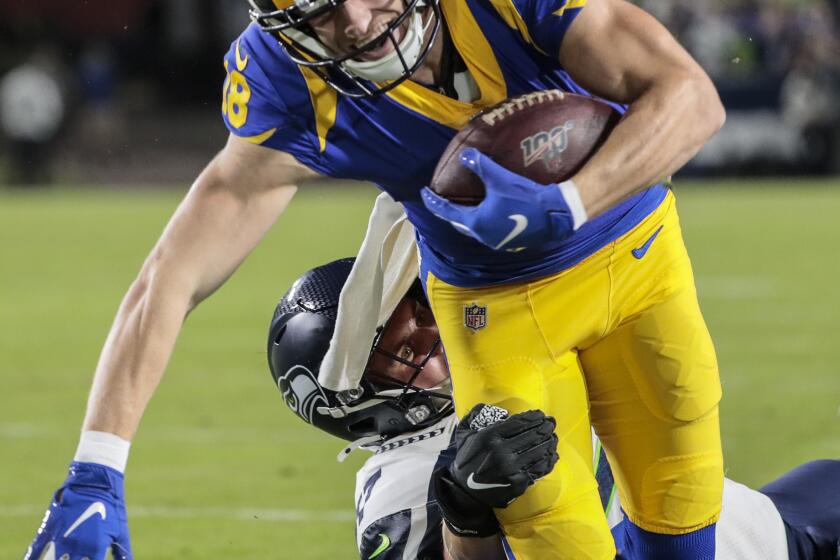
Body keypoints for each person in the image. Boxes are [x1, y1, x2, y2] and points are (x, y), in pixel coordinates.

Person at [25, 0, 727, 557]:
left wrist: (574, 200)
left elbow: (693, 98)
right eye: (320, 10)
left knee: (681, 500)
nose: (356, 22)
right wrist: (98, 464)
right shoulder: (293, 82)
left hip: (637, 255)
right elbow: (169, 277)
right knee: (552, 530)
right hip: (494, 312)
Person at [269, 257, 840, 560]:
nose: (433, 332)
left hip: (764, 523)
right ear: (360, 404)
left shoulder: (484, 351)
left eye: (418, 312)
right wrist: (466, 513)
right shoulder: (400, 479)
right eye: (406, 348)